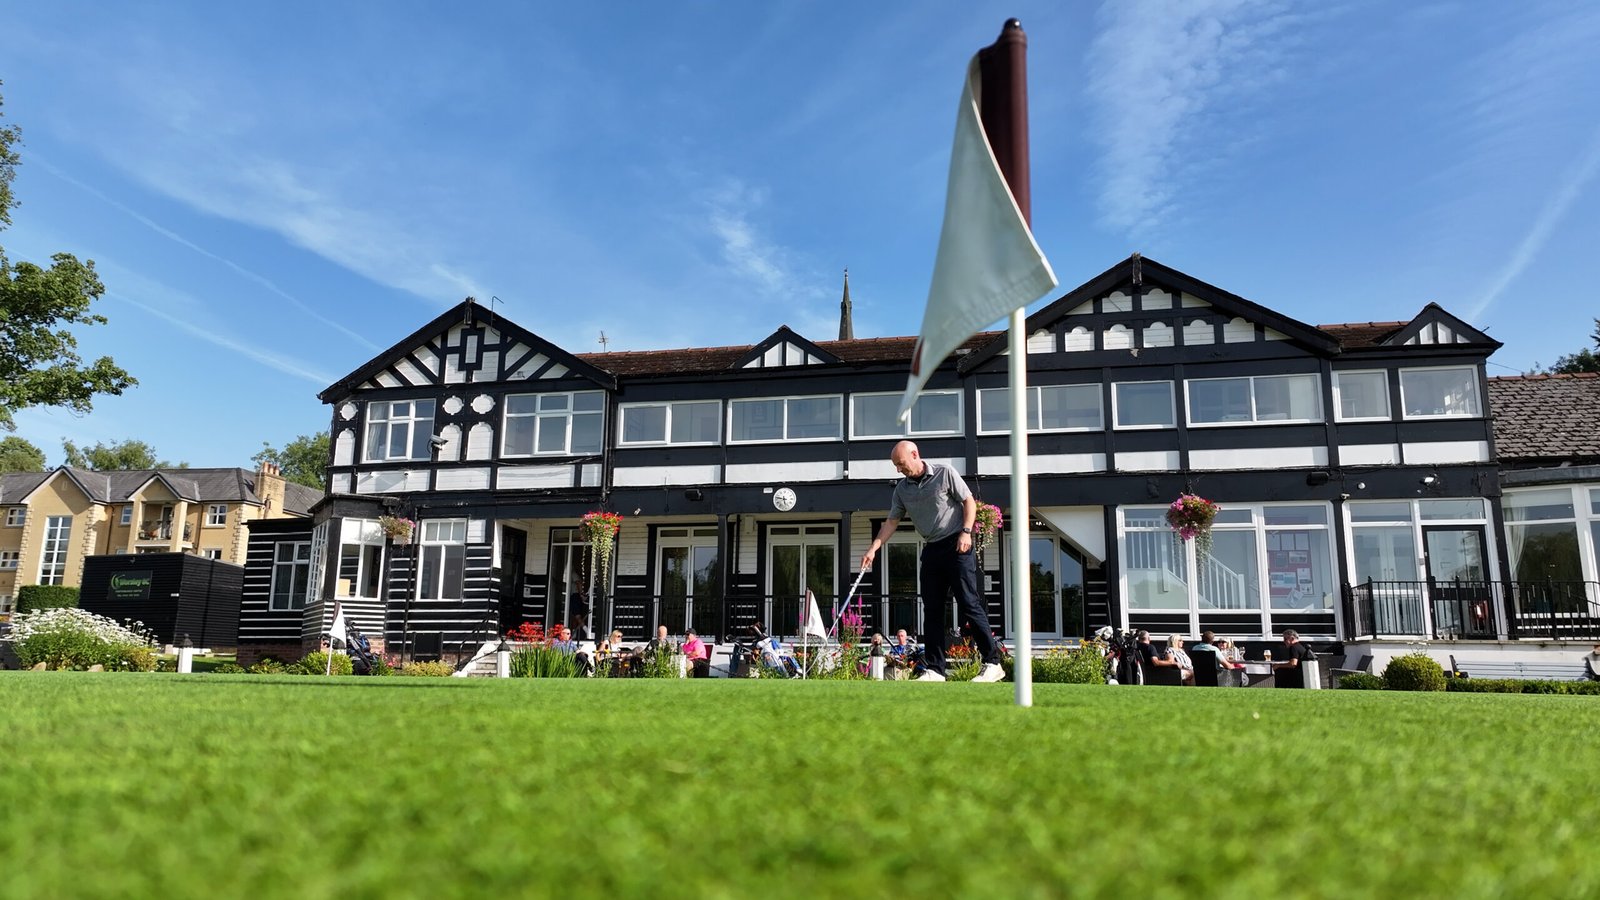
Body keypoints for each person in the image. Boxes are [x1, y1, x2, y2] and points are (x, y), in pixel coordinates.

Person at [860, 441, 1003, 683]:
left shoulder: (944, 472)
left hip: (957, 545)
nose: (898, 470)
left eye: (901, 464)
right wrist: (874, 548)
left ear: (915, 454)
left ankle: (993, 662)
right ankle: (936, 670)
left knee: (968, 603)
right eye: (896, 466)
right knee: (932, 610)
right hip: (932, 550)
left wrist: (966, 531)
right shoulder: (902, 490)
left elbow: (968, 501)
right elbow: (892, 522)